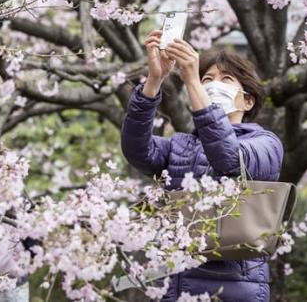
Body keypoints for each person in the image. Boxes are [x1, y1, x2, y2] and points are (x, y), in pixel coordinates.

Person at [120, 31, 284, 302]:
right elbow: (136, 150)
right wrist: (154, 80)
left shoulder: (265, 143)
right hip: (179, 284)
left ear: (248, 100)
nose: (212, 85)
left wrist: (193, 80)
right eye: (207, 79)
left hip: (236, 287)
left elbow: (229, 159)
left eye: (226, 79)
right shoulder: (180, 145)